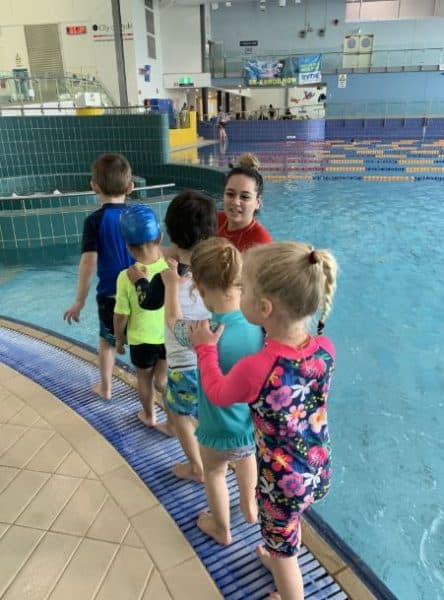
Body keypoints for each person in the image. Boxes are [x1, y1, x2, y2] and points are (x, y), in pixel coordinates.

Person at [189, 241, 338, 600]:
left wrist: (205, 349)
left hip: (281, 482)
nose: (239, 295)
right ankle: (278, 552)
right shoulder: (325, 348)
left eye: (244, 289)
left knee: (286, 553)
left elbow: (218, 393)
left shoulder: (258, 368)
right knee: (288, 526)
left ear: (264, 307)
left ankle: (287, 584)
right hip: (316, 468)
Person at [130, 191, 217, 481]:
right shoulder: (219, 272)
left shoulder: (165, 278)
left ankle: (197, 466)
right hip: (214, 359)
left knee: (178, 413)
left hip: (184, 367)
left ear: (170, 232)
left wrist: (140, 280)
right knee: (205, 410)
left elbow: (148, 302)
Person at [187, 237, 263, 544]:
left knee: (215, 473)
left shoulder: (208, 335)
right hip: (248, 425)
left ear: (201, 290)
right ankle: (249, 505)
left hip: (217, 427)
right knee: (247, 459)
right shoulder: (259, 325)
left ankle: (222, 528)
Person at [63, 153, 135, 400]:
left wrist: (79, 300)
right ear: (130, 187)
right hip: (140, 292)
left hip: (111, 296)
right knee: (144, 341)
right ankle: (153, 386)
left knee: (107, 342)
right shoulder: (138, 216)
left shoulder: (94, 221)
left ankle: (106, 388)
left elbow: (88, 262)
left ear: (93, 186)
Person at [113, 203, 172, 434]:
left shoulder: (125, 277)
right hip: (167, 339)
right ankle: (175, 418)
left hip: (141, 342)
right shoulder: (171, 267)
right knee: (162, 380)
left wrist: (119, 340)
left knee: (144, 380)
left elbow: (120, 316)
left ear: (127, 246)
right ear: (159, 237)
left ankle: (149, 416)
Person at [218, 161, 272, 252]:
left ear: (257, 203)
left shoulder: (261, 242)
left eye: (245, 197)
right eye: (230, 194)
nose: (235, 202)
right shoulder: (214, 220)